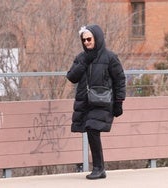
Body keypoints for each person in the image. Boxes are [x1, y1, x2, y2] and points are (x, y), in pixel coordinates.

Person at [66, 24, 126, 180]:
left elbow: (120, 80)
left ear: (97, 38)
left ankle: (99, 168)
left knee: (92, 129)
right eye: (84, 40)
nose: (86, 42)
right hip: (86, 103)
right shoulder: (81, 58)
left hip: (102, 102)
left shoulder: (110, 57)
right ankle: (100, 168)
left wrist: (119, 102)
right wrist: (84, 62)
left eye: (89, 39)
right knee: (90, 130)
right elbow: (72, 77)